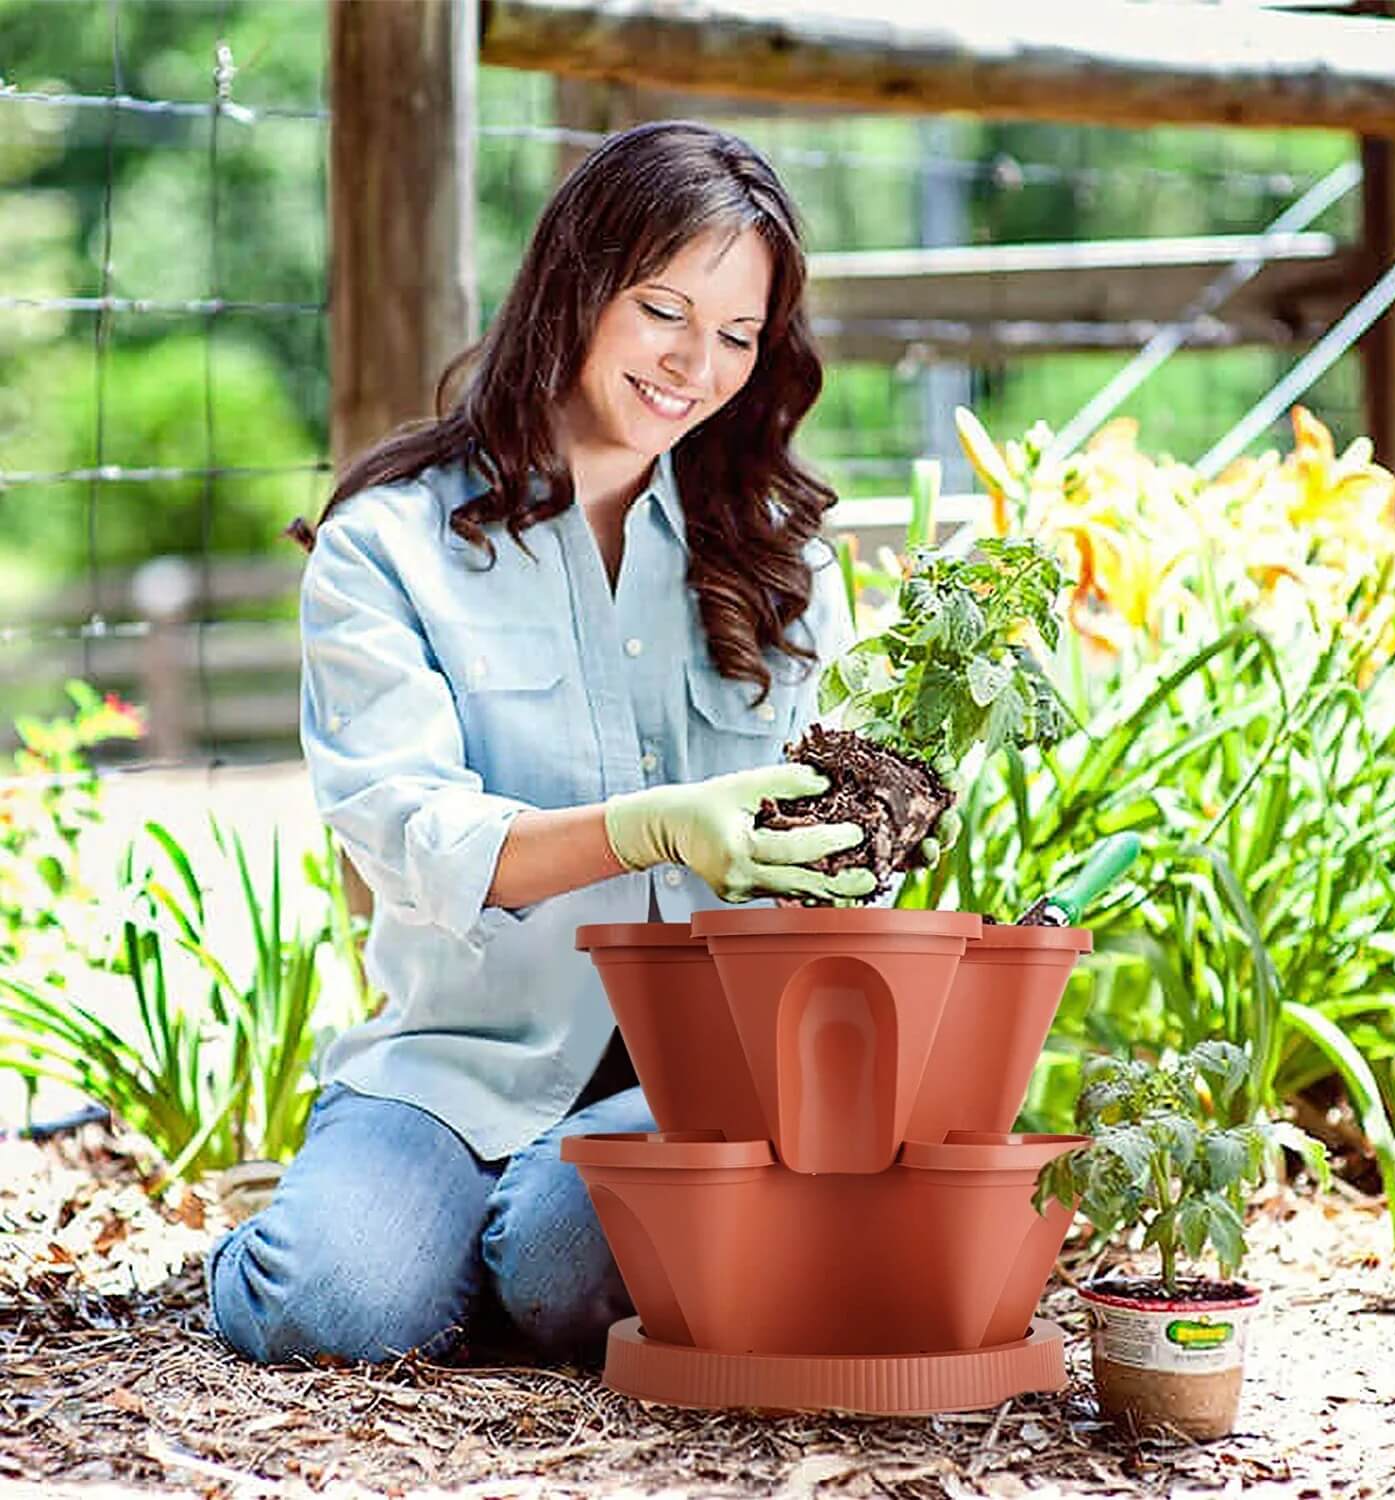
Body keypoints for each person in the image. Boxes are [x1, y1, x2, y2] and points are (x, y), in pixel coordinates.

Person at [207, 120, 940, 1368]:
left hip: (698, 1074)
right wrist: (649, 827)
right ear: (579, 282)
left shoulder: (776, 556)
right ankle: (361, 1227)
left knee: (557, 1266)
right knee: (328, 1308)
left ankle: (496, 1253)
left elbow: (828, 831)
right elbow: (411, 832)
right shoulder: (390, 544)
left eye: (737, 336)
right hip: (461, 1059)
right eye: (664, 310)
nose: (695, 365)